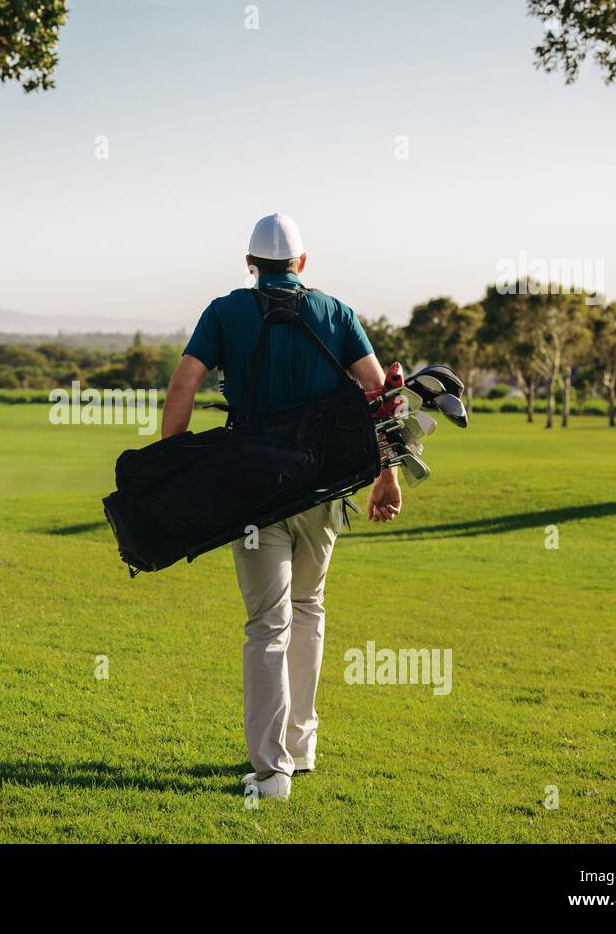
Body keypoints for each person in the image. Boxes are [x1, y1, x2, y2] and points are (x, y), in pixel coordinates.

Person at [160, 213, 402, 800]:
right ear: (301, 264)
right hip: (323, 489)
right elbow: (382, 395)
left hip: (253, 492)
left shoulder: (223, 312)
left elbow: (183, 384)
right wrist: (389, 476)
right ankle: (302, 746)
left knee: (268, 622)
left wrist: (172, 464)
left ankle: (271, 772)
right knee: (309, 608)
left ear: (250, 265)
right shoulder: (337, 312)